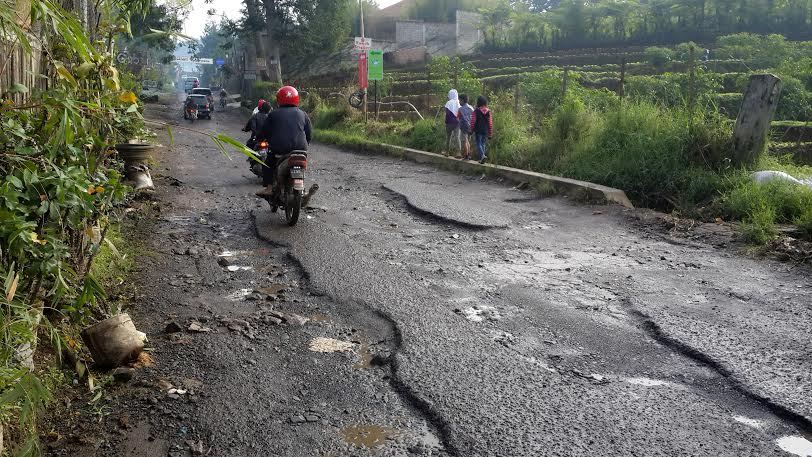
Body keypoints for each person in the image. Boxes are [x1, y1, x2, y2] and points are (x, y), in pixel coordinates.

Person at [255, 86, 312, 198]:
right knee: (301, 165)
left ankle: (269, 188)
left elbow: (264, 132)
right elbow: (309, 133)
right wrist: (306, 144)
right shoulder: (303, 114)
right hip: (300, 149)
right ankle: (301, 187)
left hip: (279, 149)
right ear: (296, 99)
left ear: (278, 99)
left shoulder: (273, 114)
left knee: (267, 163)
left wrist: (263, 139)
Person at [470, 95, 493, 164]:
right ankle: (482, 159)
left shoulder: (476, 111)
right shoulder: (488, 111)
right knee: (483, 143)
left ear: (478, 102)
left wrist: (471, 130)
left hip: (478, 130)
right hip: (485, 130)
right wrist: (490, 132)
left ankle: (482, 156)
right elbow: (490, 123)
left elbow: (473, 121)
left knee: (478, 143)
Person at [444, 89, 461, 157]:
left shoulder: (448, 102)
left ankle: (447, 152)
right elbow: (460, 112)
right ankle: (458, 153)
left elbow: (446, 112)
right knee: (457, 137)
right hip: (457, 123)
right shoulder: (459, 102)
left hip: (449, 123)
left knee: (448, 137)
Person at [458, 93, 474, 160]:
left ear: (462, 100)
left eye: (459, 100)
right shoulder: (471, 108)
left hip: (464, 127)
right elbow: (473, 117)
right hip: (470, 127)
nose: (459, 101)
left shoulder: (460, 109)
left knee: (464, 141)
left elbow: (459, 118)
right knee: (468, 141)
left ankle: (466, 156)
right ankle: (469, 155)